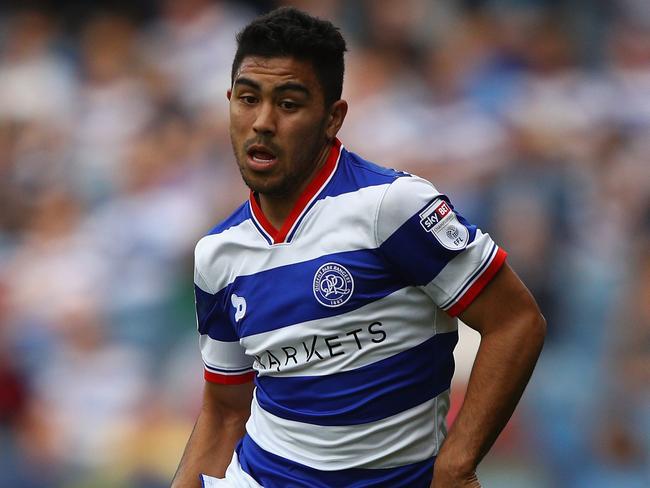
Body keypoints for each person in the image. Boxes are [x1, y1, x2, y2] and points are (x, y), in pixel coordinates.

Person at [172, 7, 546, 488]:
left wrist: (456, 463)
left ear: (333, 118)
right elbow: (224, 411)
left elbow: (516, 322)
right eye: (248, 99)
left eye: (288, 104)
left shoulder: (393, 207)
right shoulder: (217, 255)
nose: (262, 122)